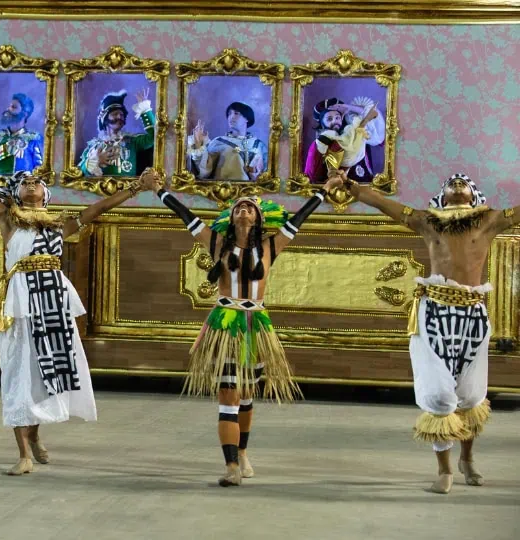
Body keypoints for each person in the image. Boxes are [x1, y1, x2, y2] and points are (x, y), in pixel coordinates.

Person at [0, 127, 159, 476]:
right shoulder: (7, 222)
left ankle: (35, 434)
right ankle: (22, 453)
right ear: (17, 193)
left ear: (46, 195)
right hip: (20, 302)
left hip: (53, 300)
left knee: (48, 372)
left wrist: (135, 188)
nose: (31, 183)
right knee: (20, 372)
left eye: (37, 181)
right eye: (25, 182)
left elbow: (97, 209)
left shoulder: (58, 226)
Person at [153, 170, 342, 487]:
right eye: (238, 207)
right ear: (231, 216)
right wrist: (159, 191)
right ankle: (230, 466)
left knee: (246, 394)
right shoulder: (216, 243)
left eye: (249, 207)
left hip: (256, 327)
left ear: (257, 217)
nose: (243, 210)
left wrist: (325, 189)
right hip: (226, 326)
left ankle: (242, 452)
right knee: (228, 392)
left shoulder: (271, 247)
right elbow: (185, 215)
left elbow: (301, 217)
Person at [346, 172, 519, 494]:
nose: (457, 183)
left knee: (470, 394)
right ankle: (445, 470)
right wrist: (354, 190)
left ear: (473, 193)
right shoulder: (428, 221)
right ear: (442, 194)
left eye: (463, 182)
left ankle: (468, 459)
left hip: (472, 315)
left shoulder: (490, 220)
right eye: (451, 182)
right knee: (439, 393)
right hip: (434, 313)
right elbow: (387, 205)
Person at [304, 97, 385, 184]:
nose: (335, 121)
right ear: (322, 123)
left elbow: (372, 121)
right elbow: (312, 171)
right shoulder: (321, 142)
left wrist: (349, 108)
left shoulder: (353, 134)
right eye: (329, 119)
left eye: (337, 118)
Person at [78, 89, 155, 177]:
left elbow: (154, 136)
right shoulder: (93, 146)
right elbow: (80, 172)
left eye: (122, 115)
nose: (119, 117)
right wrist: (95, 161)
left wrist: (145, 110)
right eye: (115, 114)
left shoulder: (132, 141)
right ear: (105, 119)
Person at [188, 102, 266, 181]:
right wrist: (199, 146)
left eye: (236, 113)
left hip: (253, 191)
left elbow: (267, 173)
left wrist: (256, 173)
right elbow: (204, 170)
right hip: (223, 190)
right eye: (229, 114)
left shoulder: (259, 145)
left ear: (247, 118)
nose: (231, 117)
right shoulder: (218, 142)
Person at [0, 93, 43, 175]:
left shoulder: (33, 139)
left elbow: (40, 169)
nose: (8, 109)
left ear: (25, 114)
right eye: (9, 106)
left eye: (14, 107)